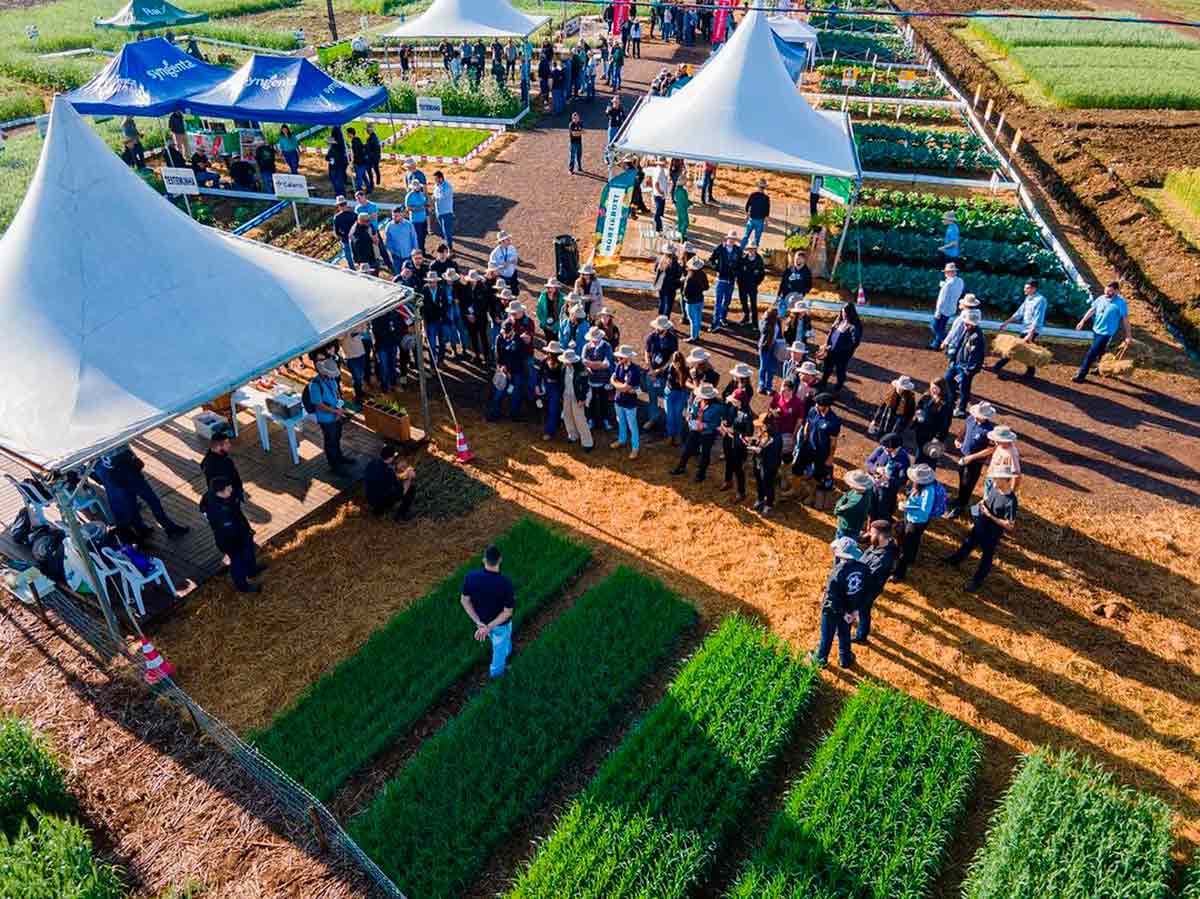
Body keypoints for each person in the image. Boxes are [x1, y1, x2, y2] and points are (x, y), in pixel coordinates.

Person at [943, 468, 1018, 592]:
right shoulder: (995, 488)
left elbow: (1010, 525)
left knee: (986, 557)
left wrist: (990, 516)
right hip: (981, 524)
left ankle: (976, 581)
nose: (993, 479)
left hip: (992, 533)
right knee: (968, 543)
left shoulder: (1011, 501)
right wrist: (980, 504)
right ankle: (954, 561)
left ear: (1005, 480)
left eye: (996, 478)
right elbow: (987, 500)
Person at [808, 537, 869, 669]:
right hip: (850, 608)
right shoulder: (863, 569)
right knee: (844, 632)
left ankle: (820, 658)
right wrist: (854, 611)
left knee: (827, 634)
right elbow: (864, 591)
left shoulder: (838, 572)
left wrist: (843, 613)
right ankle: (845, 659)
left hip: (833, 610)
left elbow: (832, 598)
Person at [460, 544, 516, 679]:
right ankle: (497, 674)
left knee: (501, 643)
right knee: (499, 651)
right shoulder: (506, 584)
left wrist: (480, 623)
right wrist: (489, 627)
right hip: (499, 625)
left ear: (484, 560)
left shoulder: (470, 577)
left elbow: (464, 600)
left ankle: (507, 651)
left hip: (482, 623)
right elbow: (507, 612)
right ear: (500, 560)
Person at [200, 477, 261, 593]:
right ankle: (243, 586)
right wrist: (245, 534)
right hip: (230, 540)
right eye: (229, 489)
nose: (232, 489)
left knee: (249, 551)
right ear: (221, 493)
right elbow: (230, 529)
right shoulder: (217, 511)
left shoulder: (220, 495)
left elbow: (236, 514)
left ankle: (252, 570)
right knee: (238, 562)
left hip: (240, 530)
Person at [891, 463, 940, 583]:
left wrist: (907, 507)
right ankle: (911, 557)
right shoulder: (919, 485)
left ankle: (899, 573)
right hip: (910, 517)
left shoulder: (929, 491)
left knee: (908, 545)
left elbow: (924, 511)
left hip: (917, 522)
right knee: (909, 538)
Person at [1074, 280, 1131, 383]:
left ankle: (1081, 375)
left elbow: (1125, 320)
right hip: (1096, 329)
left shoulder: (1120, 303)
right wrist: (1082, 321)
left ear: (1117, 291)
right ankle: (1103, 368)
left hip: (1107, 332)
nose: (1107, 294)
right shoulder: (1101, 298)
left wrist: (1128, 336)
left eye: (1110, 292)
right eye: (1106, 291)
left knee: (1091, 352)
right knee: (1101, 351)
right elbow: (1092, 310)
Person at [947, 401, 996, 518]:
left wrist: (972, 457)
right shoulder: (970, 419)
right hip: (963, 456)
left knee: (968, 484)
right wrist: (958, 439)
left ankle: (961, 506)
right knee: (961, 479)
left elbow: (990, 449)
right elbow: (965, 429)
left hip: (975, 462)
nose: (975, 416)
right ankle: (959, 499)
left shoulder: (989, 430)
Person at [992, 279, 1047, 379]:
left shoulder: (1040, 300)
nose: (1024, 290)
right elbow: (1019, 313)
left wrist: (1030, 334)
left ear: (1034, 289)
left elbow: (1037, 318)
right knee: (1024, 350)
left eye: (1027, 288)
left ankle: (997, 366)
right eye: (1024, 288)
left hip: (1031, 331)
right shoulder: (1028, 298)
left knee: (1014, 348)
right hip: (1025, 329)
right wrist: (1006, 322)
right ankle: (1030, 373)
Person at [854, 520, 898, 643]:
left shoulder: (883, 559)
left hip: (867, 590)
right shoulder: (880, 544)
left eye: (871, 533)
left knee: (863, 610)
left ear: (880, 535)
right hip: (866, 585)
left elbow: (867, 578)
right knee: (863, 610)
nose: (868, 535)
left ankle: (861, 636)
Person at [671, 383, 724, 482]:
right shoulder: (697, 400)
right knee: (687, 449)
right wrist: (690, 416)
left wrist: (705, 425)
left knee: (705, 453)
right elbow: (692, 411)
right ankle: (681, 467)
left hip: (708, 434)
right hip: (695, 429)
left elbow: (716, 423)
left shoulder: (717, 407)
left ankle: (701, 475)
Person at [309, 359, 354, 472]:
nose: (332, 376)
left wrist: (340, 406)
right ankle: (334, 466)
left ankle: (339, 458)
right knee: (330, 442)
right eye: (330, 374)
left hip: (336, 416)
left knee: (337, 438)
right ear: (323, 372)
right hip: (326, 419)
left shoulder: (331, 379)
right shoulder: (314, 385)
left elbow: (336, 393)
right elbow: (319, 405)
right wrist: (335, 412)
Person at [792, 391, 840, 493]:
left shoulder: (834, 421)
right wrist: (804, 438)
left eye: (818, 404)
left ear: (826, 406)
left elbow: (833, 442)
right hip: (808, 446)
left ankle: (811, 494)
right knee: (797, 468)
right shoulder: (813, 411)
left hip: (822, 452)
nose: (816, 406)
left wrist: (830, 457)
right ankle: (794, 490)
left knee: (818, 476)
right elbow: (808, 424)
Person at [642, 315, 678, 432]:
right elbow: (647, 353)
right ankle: (652, 418)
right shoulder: (651, 337)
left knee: (667, 398)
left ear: (666, 328)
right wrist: (651, 369)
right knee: (652, 397)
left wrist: (659, 370)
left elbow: (672, 358)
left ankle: (669, 423)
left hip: (666, 374)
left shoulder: (672, 339)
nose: (657, 329)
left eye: (660, 328)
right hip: (652, 372)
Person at [948, 309, 986, 417]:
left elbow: (976, 355)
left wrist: (969, 370)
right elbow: (959, 344)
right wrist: (953, 358)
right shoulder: (967, 330)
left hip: (967, 367)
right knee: (948, 379)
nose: (965, 324)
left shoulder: (977, 337)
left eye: (967, 323)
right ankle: (952, 399)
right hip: (958, 363)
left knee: (964, 387)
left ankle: (961, 409)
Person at [363, 445, 417, 521]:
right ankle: (401, 515)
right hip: (380, 501)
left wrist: (397, 470)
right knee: (411, 489)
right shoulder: (388, 472)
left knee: (381, 490)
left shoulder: (372, 462)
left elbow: (388, 475)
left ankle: (377, 511)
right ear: (391, 458)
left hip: (369, 497)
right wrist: (409, 477)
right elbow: (402, 490)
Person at [818, 303, 863, 393]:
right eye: (842, 312)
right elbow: (831, 332)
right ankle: (823, 383)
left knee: (840, 370)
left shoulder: (855, 326)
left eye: (845, 313)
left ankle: (838, 387)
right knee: (827, 368)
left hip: (843, 355)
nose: (843, 314)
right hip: (831, 350)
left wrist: (842, 349)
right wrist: (826, 344)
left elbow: (855, 343)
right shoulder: (839, 321)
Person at [864, 432, 910, 520]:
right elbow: (868, 462)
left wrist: (888, 479)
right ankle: (870, 529)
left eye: (886, 447)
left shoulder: (903, 459)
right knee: (871, 509)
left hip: (887, 492)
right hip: (873, 485)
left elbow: (902, 480)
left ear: (895, 448)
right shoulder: (882, 449)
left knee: (882, 512)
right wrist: (876, 469)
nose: (883, 448)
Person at [719, 387, 753, 500]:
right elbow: (728, 420)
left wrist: (735, 433)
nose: (732, 401)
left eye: (734, 400)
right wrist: (724, 424)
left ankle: (741, 492)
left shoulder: (747, 415)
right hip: (728, 440)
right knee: (728, 461)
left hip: (738, 445)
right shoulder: (733, 408)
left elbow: (748, 435)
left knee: (738, 468)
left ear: (740, 401)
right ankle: (728, 481)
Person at [610, 345, 643, 459]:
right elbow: (613, 379)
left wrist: (616, 385)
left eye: (621, 357)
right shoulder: (619, 366)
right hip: (619, 400)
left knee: (632, 426)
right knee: (621, 422)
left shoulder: (634, 371)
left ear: (627, 357)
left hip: (630, 404)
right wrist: (621, 386)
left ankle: (635, 448)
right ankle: (622, 439)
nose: (618, 359)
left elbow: (624, 386)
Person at [912, 377, 954, 465]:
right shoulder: (927, 395)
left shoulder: (946, 404)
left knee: (929, 457)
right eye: (931, 387)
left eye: (935, 388)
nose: (932, 390)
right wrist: (918, 411)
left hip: (932, 435)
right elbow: (919, 405)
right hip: (921, 430)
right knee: (920, 450)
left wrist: (937, 438)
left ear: (942, 388)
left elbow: (945, 424)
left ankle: (922, 471)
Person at [749, 410, 783, 514]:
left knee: (768, 484)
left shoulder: (776, 438)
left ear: (768, 425)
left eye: (762, 425)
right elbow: (759, 443)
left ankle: (769, 504)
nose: (760, 427)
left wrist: (760, 451)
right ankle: (760, 499)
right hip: (759, 462)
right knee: (759, 482)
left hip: (769, 465)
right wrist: (752, 442)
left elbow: (774, 454)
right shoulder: (762, 433)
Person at [559, 349, 594, 451]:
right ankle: (573, 435)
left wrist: (582, 399)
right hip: (566, 394)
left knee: (580, 419)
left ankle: (587, 442)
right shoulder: (564, 367)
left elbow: (585, 386)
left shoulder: (581, 370)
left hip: (577, 396)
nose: (565, 362)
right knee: (567, 415)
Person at [708, 231, 742, 332]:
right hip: (721, 279)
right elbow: (711, 260)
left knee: (727, 301)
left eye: (734, 238)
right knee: (718, 302)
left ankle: (723, 318)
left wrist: (736, 273)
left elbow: (740, 264)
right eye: (730, 238)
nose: (732, 240)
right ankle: (715, 322)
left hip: (731, 280)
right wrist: (717, 268)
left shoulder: (738, 250)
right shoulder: (720, 248)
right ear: (727, 238)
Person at [582, 325, 614, 432]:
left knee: (604, 401)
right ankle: (591, 419)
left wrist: (591, 364)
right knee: (590, 402)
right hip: (591, 381)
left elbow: (606, 364)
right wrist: (596, 364)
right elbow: (584, 362)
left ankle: (606, 420)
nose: (594, 341)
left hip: (604, 380)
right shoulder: (586, 346)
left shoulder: (607, 346)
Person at [200, 430, 243, 504]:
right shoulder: (226, 463)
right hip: (229, 497)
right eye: (227, 443)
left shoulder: (205, 461)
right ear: (219, 447)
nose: (229, 445)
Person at [868, 375, 917, 439]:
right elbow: (882, 407)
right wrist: (875, 419)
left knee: (893, 435)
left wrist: (906, 423)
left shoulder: (910, 398)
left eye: (901, 388)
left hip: (899, 420)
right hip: (888, 416)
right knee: (883, 430)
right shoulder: (891, 394)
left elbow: (911, 412)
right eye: (899, 387)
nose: (899, 389)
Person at [930, 262, 964, 349]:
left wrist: (938, 311)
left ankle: (948, 344)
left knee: (935, 326)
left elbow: (942, 299)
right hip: (952, 308)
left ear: (950, 273)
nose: (945, 274)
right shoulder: (960, 281)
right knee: (941, 326)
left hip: (943, 309)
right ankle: (935, 345)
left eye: (946, 272)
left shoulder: (948, 284)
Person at [835, 469, 874, 539]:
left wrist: (844, 497)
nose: (850, 485)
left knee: (841, 544)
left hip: (846, 528)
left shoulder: (854, 503)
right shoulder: (868, 490)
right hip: (857, 525)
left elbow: (837, 510)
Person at [737, 242, 766, 327]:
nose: (751, 250)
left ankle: (754, 322)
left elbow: (762, 274)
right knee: (743, 302)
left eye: (753, 248)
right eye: (750, 248)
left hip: (753, 286)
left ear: (755, 249)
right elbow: (738, 271)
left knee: (753, 304)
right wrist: (739, 282)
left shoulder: (759, 260)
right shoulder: (743, 258)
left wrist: (756, 283)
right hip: (742, 286)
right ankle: (746, 317)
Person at [776, 251, 813, 315]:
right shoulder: (789, 269)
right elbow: (783, 282)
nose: (797, 260)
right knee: (780, 314)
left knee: (793, 316)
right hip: (785, 295)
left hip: (797, 297)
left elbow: (808, 286)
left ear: (804, 260)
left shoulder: (806, 272)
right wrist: (779, 294)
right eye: (796, 258)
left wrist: (802, 293)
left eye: (799, 259)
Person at [682, 256, 708, 343]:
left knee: (692, 320)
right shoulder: (703, 274)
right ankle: (696, 335)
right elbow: (706, 287)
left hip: (691, 301)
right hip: (700, 299)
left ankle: (694, 337)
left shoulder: (689, 278)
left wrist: (686, 297)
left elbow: (685, 292)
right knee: (698, 318)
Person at [383, 207, 418, 273]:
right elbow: (388, 241)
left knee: (410, 274)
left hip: (409, 255)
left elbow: (414, 238)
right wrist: (392, 251)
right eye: (393, 216)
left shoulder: (408, 224)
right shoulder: (389, 226)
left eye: (396, 216)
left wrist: (415, 251)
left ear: (401, 215)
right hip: (396, 256)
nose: (394, 217)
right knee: (398, 274)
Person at [757, 306, 782, 395]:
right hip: (765, 346)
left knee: (771, 368)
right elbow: (763, 330)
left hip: (775, 346)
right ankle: (761, 385)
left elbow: (780, 334)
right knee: (763, 367)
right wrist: (765, 318)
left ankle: (769, 386)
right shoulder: (765, 322)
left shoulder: (778, 321)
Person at [654, 248, 684, 318]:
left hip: (661, 285)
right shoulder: (675, 264)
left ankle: (660, 318)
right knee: (668, 304)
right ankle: (665, 320)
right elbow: (678, 275)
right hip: (671, 287)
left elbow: (655, 269)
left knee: (662, 302)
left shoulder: (660, 260)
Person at [431, 170, 455, 250]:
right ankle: (448, 245)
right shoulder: (436, 186)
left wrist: (434, 198)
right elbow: (434, 196)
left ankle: (450, 249)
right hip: (439, 212)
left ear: (441, 178)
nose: (435, 181)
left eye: (436, 179)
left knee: (447, 232)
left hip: (446, 213)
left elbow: (441, 197)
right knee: (444, 231)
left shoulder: (447, 187)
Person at [742, 178, 770, 249]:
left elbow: (747, 206)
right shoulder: (765, 197)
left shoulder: (753, 195)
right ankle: (751, 252)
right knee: (756, 239)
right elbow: (767, 211)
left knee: (747, 236)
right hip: (759, 220)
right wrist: (766, 221)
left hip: (753, 219)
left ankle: (741, 251)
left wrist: (747, 214)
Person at [332, 196, 357, 268]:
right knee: (349, 257)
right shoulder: (337, 217)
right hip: (347, 239)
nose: (342, 206)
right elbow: (336, 231)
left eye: (343, 204)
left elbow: (336, 232)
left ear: (346, 204)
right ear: (338, 206)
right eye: (341, 205)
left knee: (353, 256)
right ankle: (353, 270)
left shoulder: (353, 214)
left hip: (353, 239)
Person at [404, 177, 428, 253]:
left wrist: (427, 205)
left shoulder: (421, 194)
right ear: (413, 187)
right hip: (416, 220)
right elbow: (408, 208)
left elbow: (425, 203)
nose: (418, 187)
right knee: (418, 238)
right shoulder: (409, 196)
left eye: (418, 186)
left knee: (423, 236)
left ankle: (422, 251)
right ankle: (418, 253)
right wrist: (419, 208)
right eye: (416, 186)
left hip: (423, 219)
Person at [645, 158, 668, 233]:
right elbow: (656, 183)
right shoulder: (660, 170)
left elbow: (654, 182)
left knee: (659, 212)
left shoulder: (657, 169)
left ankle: (658, 227)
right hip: (659, 194)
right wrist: (661, 192)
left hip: (658, 193)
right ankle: (657, 228)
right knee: (659, 212)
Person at [346, 127, 371, 194]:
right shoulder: (358, 139)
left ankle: (358, 192)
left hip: (359, 162)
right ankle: (369, 189)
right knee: (364, 176)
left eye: (347, 133)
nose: (347, 135)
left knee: (358, 178)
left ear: (351, 134)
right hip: (363, 161)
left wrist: (352, 162)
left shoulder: (354, 142)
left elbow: (355, 153)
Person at [326, 127, 348, 198]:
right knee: (337, 180)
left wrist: (329, 140)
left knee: (337, 180)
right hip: (336, 163)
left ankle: (340, 194)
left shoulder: (337, 145)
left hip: (336, 164)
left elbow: (336, 142)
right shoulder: (337, 145)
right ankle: (340, 194)